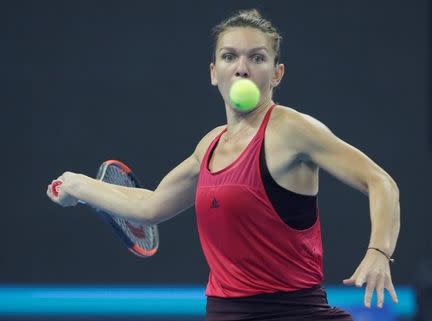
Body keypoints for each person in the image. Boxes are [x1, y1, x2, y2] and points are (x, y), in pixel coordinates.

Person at [47, 9, 400, 321]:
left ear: (276, 74)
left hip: (295, 312)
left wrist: (378, 252)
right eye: (230, 57)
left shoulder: (291, 130)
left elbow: (380, 181)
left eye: (257, 58)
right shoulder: (209, 146)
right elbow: (150, 206)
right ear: (214, 73)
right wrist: (77, 186)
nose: (242, 68)